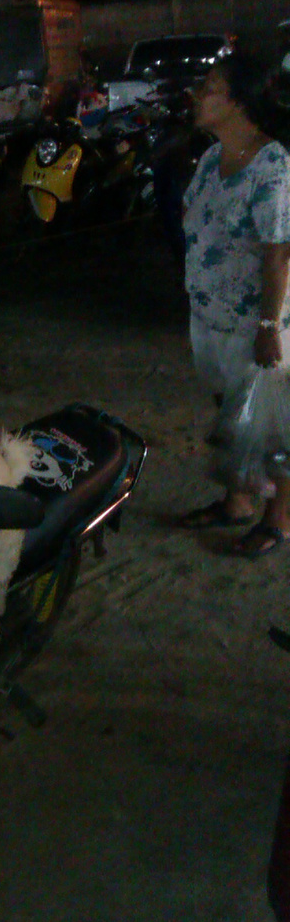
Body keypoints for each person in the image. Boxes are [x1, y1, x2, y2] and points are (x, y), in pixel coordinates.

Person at [178, 50, 290, 557]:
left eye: (210, 88)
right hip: (210, 317)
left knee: (275, 423)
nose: (198, 95)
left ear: (240, 102)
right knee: (231, 412)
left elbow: (278, 254)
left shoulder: (273, 165)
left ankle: (279, 517)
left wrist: (268, 325)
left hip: (255, 323)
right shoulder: (210, 159)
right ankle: (237, 501)